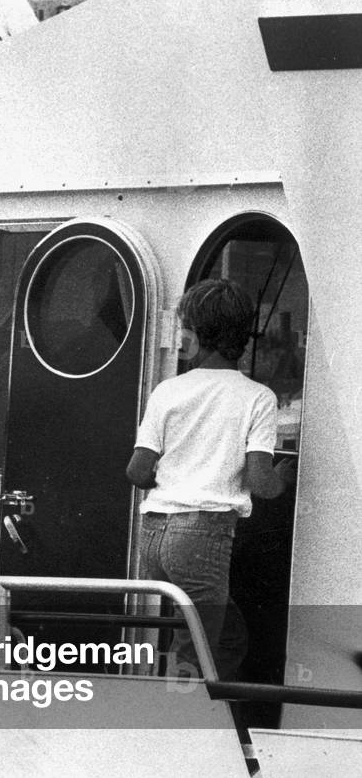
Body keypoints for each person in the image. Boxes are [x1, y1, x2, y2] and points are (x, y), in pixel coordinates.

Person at [126, 279, 296, 680]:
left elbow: (136, 471)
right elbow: (260, 481)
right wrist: (284, 478)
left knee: (220, 635)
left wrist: (175, 475)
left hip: (153, 536)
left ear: (196, 336)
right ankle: (185, 727)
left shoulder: (168, 391)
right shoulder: (258, 397)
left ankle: (202, 715)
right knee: (199, 648)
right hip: (202, 538)